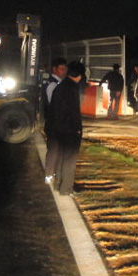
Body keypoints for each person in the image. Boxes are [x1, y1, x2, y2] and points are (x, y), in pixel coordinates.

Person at [49, 61, 86, 196]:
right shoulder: (72, 88)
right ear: (80, 75)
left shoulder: (60, 86)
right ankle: (66, 188)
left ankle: (58, 185)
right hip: (70, 129)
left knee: (61, 157)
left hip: (58, 128)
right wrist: (77, 129)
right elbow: (73, 111)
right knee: (70, 160)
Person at [43, 58, 67, 185]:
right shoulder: (53, 84)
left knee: (58, 149)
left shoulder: (57, 83)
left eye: (65, 69)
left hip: (56, 122)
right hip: (54, 123)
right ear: (54, 69)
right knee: (54, 149)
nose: (64, 71)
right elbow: (54, 104)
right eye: (61, 69)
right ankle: (49, 175)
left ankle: (54, 174)